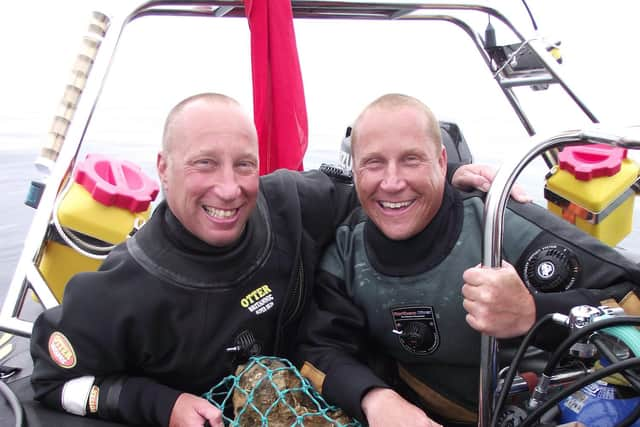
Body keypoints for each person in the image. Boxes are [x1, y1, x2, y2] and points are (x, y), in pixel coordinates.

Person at [29, 93, 503, 427]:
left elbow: (378, 190)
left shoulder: (289, 204)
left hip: (321, 389)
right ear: (163, 168)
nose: (230, 189)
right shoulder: (122, 287)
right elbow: (55, 384)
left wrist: (454, 176)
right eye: (204, 163)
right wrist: (158, 403)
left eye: (245, 164)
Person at [297, 93, 640, 427]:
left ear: (443, 162)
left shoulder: (502, 225)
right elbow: (321, 349)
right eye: (374, 163)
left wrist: (533, 313)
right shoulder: (347, 252)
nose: (392, 182)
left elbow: (630, 297)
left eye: (411, 159)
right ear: (354, 171)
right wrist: (374, 398)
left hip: (545, 406)